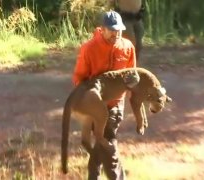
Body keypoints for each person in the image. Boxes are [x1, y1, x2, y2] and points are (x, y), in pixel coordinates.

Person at [72, 11, 138, 180]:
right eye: (112, 30)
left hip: (116, 104)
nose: (116, 33)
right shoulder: (89, 48)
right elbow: (79, 78)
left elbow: (132, 74)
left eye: (119, 30)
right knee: (105, 145)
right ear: (102, 29)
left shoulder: (127, 47)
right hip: (94, 106)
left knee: (107, 140)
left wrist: (132, 84)